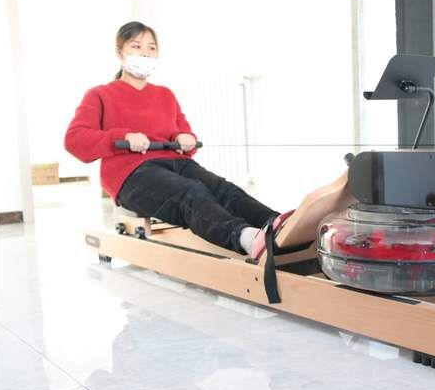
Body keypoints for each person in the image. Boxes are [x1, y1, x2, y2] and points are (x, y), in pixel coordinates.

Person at [64, 21, 288, 257]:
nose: (145, 54)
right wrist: (123, 136)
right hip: (131, 174)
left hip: (176, 163)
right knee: (190, 192)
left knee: (223, 189)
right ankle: (246, 238)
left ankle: (281, 227)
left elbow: (183, 132)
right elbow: (74, 140)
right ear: (120, 53)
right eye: (137, 46)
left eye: (151, 48)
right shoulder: (100, 95)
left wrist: (185, 138)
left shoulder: (165, 95)